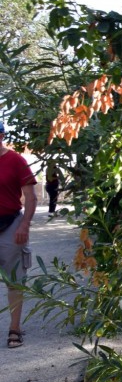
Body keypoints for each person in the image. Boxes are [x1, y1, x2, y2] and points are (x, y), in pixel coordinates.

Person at [0, 122, 37, 348]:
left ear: (1, 135)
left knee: (14, 281)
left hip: (11, 226)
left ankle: (15, 328)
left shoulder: (16, 160)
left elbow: (30, 196)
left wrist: (25, 225)